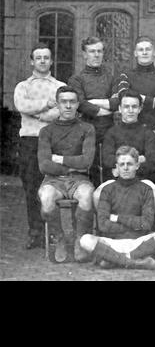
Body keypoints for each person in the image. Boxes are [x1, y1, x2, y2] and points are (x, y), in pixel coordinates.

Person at [79, 146, 155, 270]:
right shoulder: (107, 190)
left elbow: (147, 224)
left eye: (130, 164)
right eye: (122, 164)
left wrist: (117, 218)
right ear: (116, 167)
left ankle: (114, 260)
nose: (126, 168)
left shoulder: (145, 189)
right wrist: (134, 223)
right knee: (85, 240)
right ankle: (134, 262)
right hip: (112, 243)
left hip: (138, 242)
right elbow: (103, 225)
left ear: (137, 166)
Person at [13, 43, 66, 249]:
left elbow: (61, 111)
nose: (43, 61)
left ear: (51, 61)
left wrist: (38, 113)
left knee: (52, 187)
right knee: (31, 187)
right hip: (29, 141)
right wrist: (46, 104)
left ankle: (52, 231)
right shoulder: (22, 87)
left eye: (46, 57)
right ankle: (35, 231)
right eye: (39, 57)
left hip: (52, 142)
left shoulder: (59, 86)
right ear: (32, 61)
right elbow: (22, 106)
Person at [37, 86, 96, 263]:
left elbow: (86, 162)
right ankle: (60, 237)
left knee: (86, 196)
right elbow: (44, 165)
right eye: (64, 102)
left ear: (78, 104)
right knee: (46, 199)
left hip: (79, 180)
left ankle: (79, 238)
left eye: (72, 102)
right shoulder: (46, 131)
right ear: (58, 104)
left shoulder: (87, 128)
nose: (68, 106)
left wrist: (60, 159)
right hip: (53, 180)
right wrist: (72, 166)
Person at [93, 89, 155, 220]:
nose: (130, 110)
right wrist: (138, 159)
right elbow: (107, 159)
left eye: (134, 106)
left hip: (142, 180)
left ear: (140, 109)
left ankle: (149, 232)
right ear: (120, 108)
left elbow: (152, 162)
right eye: (126, 106)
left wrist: (120, 165)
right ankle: (107, 232)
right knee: (97, 196)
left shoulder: (148, 133)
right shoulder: (111, 133)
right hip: (116, 181)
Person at [68, 36, 119, 187]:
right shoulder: (76, 79)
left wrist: (93, 102)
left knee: (109, 173)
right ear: (84, 54)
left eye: (99, 51)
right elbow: (81, 105)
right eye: (92, 51)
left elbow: (116, 102)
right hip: (86, 132)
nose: (96, 55)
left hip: (109, 132)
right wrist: (106, 108)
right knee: (89, 176)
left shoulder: (111, 77)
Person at [115, 36, 155, 131]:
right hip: (131, 130)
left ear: (154, 52)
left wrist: (140, 98)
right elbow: (123, 98)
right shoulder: (126, 75)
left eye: (148, 49)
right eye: (140, 49)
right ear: (135, 53)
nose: (144, 52)